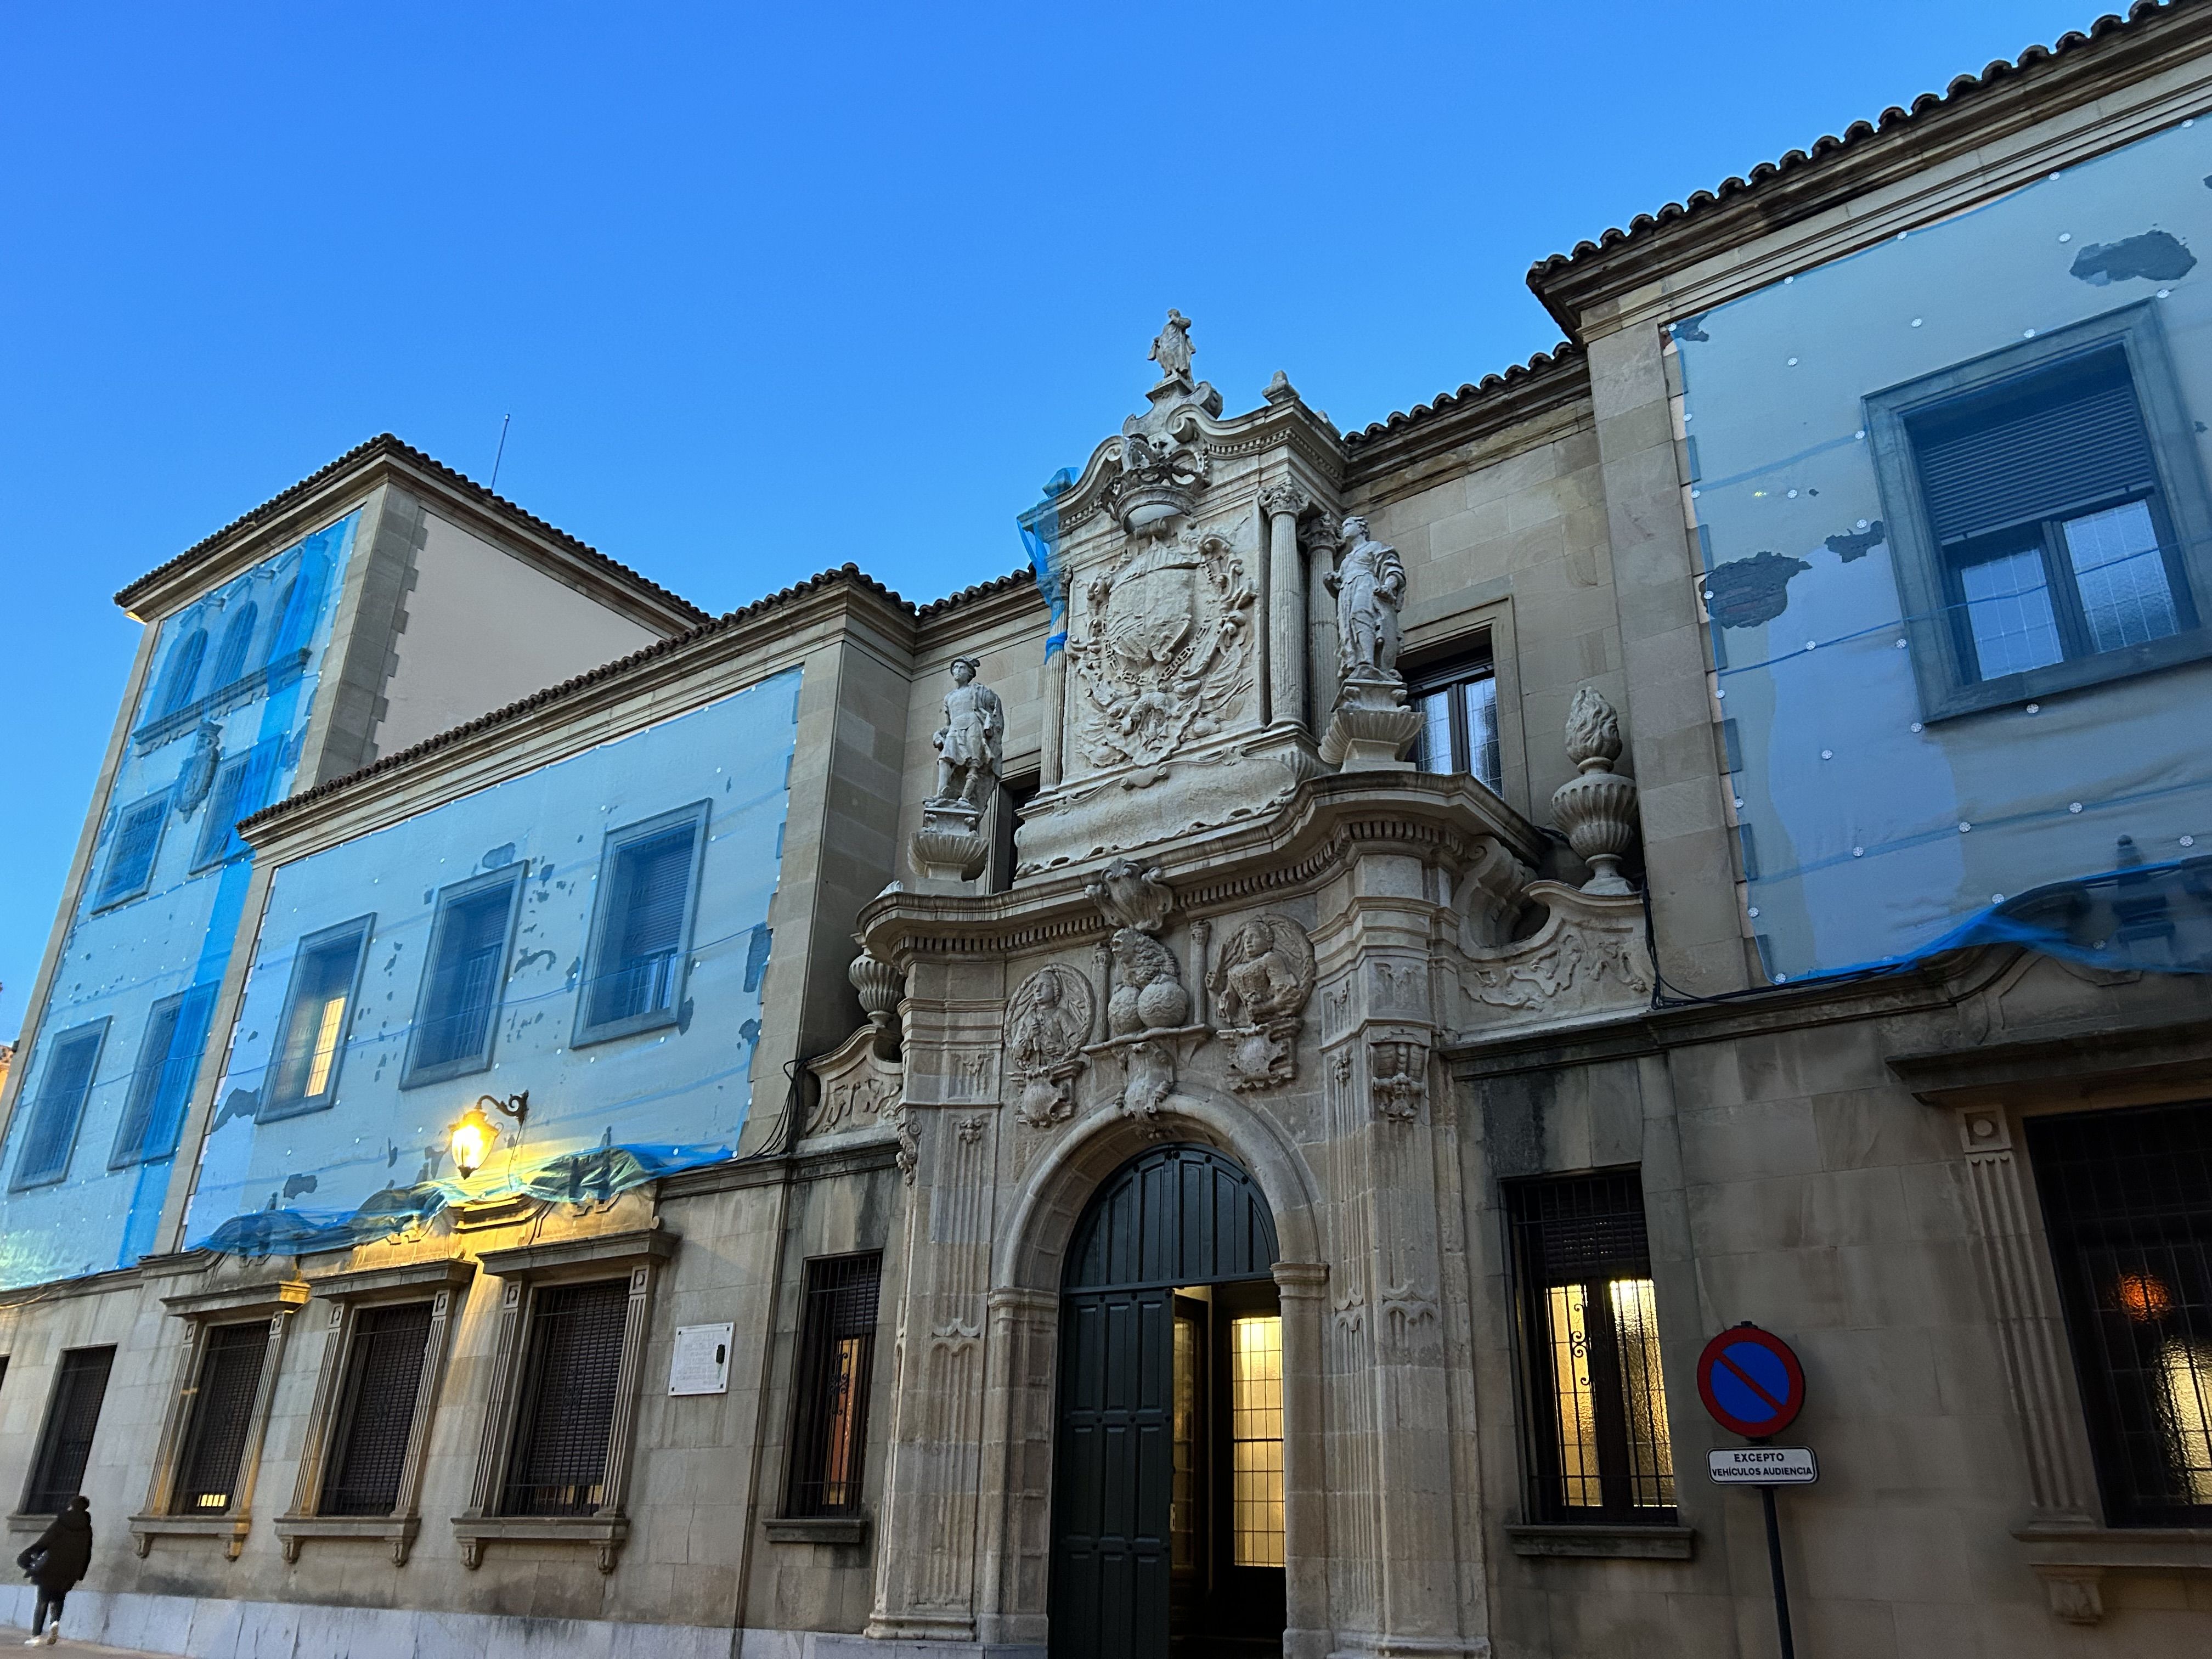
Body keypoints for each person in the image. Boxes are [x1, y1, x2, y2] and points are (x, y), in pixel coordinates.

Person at [16, 1496, 91, 1647]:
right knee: (58, 1598)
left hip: (51, 1567)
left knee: (42, 1601)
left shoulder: (62, 1522)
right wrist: (80, 1573)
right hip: (69, 1571)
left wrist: (31, 1552)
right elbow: (87, 1553)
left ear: (72, 1505)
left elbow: (46, 1540)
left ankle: (36, 1636)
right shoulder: (87, 1528)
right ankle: (54, 1623)